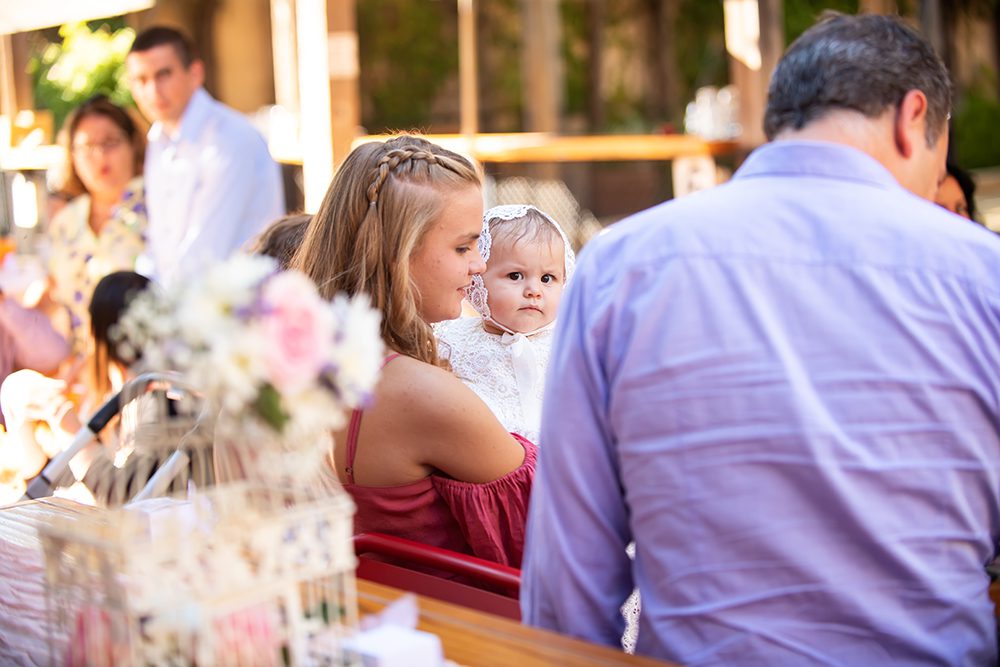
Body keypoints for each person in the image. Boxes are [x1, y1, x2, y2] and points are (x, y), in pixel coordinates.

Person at [522, 13, 1000, 667]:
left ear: (783, 117)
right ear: (912, 118)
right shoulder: (983, 275)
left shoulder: (619, 265)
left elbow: (567, 585)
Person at [291, 135, 536, 568]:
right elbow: (543, 520)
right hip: (459, 621)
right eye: (463, 246)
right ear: (397, 254)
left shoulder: (301, 364)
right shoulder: (417, 391)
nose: (478, 265)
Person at [126, 26, 284, 288]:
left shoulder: (230, 139)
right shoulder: (158, 141)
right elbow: (160, 242)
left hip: (238, 309)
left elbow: (206, 252)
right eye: (141, 80)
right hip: (184, 306)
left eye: (164, 74)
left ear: (195, 73)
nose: (153, 90)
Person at [435, 204, 574, 444]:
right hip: (486, 465)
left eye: (547, 278)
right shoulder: (450, 341)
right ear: (478, 279)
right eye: (515, 276)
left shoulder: (570, 344)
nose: (534, 291)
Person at [46, 95, 147, 353]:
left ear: (133, 144)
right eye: (87, 146)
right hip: (82, 370)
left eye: (110, 142)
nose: (100, 155)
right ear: (72, 155)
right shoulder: (65, 222)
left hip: (143, 369)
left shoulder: (156, 208)